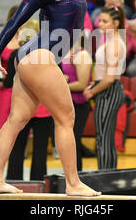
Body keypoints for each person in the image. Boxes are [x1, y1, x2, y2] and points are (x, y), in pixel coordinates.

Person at [0, 0, 100, 196]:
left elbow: (67, 29)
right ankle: (73, 184)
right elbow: (17, 19)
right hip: (38, 55)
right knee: (66, 117)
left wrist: (68, 50)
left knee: (16, 120)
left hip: (36, 55)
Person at [4, 21, 54, 181]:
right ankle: (39, 183)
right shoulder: (46, 55)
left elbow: (7, 82)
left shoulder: (16, 54)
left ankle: (13, 180)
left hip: (22, 106)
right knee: (40, 150)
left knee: (17, 147)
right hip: (43, 107)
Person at [83, 6, 126, 170]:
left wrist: (92, 91)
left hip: (109, 90)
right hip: (106, 89)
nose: (100, 24)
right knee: (104, 139)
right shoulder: (110, 41)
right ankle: (108, 175)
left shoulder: (114, 44)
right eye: (100, 20)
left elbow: (109, 78)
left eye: (105, 21)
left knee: (104, 139)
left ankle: (106, 177)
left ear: (115, 23)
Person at [61, 32, 93, 172]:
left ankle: (77, 174)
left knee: (74, 141)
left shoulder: (82, 55)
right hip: (66, 103)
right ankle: (70, 174)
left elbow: (82, 84)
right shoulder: (65, 52)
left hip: (78, 104)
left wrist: (60, 85)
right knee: (67, 142)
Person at [0, 5, 19, 129]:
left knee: (21, 125)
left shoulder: (28, 38)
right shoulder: (0, 40)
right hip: (4, 87)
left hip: (21, 88)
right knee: (4, 125)